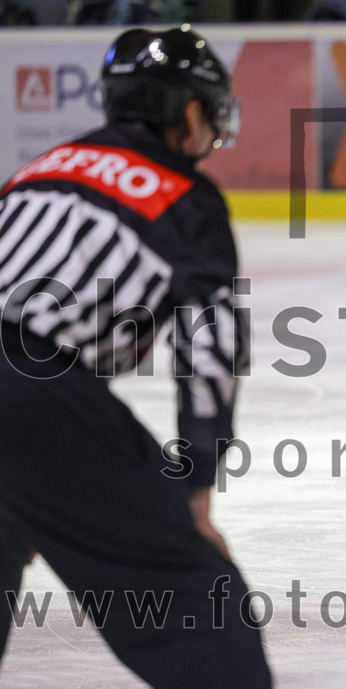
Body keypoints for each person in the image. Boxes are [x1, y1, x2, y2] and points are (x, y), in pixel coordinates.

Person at [0, 26, 273, 687]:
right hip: (35, 390)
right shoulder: (187, 196)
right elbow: (210, 347)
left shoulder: (43, 166)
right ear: (189, 112)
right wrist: (197, 484)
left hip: (26, 402)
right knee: (203, 608)